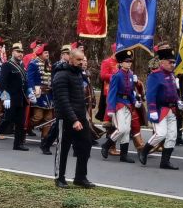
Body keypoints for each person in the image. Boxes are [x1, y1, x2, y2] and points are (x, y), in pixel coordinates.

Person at [51, 47, 94, 188]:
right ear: (70, 59)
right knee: (63, 148)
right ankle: (59, 177)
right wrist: (74, 120)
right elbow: (63, 100)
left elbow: (80, 98)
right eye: (78, 59)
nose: (81, 62)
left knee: (86, 144)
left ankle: (80, 177)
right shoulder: (61, 75)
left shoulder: (78, 74)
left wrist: (83, 117)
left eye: (83, 59)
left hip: (80, 116)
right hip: (65, 118)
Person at [139, 45, 181, 170]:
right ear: (162, 62)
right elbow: (150, 94)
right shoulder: (155, 75)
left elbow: (174, 92)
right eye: (170, 62)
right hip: (159, 109)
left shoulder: (172, 75)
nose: (172, 64)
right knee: (161, 134)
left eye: (173, 62)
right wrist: (152, 110)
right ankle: (144, 151)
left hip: (171, 110)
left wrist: (178, 101)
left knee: (172, 136)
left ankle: (165, 161)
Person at [0, 42, 29, 150]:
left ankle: (18, 144)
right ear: (12, 52)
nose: (20, 54)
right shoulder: (6, 65)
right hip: (11, 98)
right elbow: (3, 84)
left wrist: (29, 93)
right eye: (18, 52)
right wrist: (5, 98)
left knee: (20, 122)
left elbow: (24, 81)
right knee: (8, 119)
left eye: (21, 52)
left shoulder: (21, 65)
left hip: (21, 97)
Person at [101, 48, 138, 163]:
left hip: (128, 104)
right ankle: (106, 145)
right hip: (118, 104)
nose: (129, 63)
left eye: (130, 61)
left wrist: (134, 101)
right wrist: (110, 109)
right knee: (121, 129)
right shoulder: (116, 75)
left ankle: (124, 155)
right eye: (127, 61)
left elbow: (130, 92)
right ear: (121, 63)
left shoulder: (130, 75)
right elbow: (112, 93)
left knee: (127, 130)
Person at [25, 44, 55, 154]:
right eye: (45, 53)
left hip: (48, 94)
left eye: (48, 53)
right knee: (38, 117)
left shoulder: (49, 64)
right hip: (38, 93)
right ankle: (26, 127)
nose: (47, 54)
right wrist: (31, 91)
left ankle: (44, 139)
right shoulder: (34, 63)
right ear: (40, 53)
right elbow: (30, 79)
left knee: (49, 118)